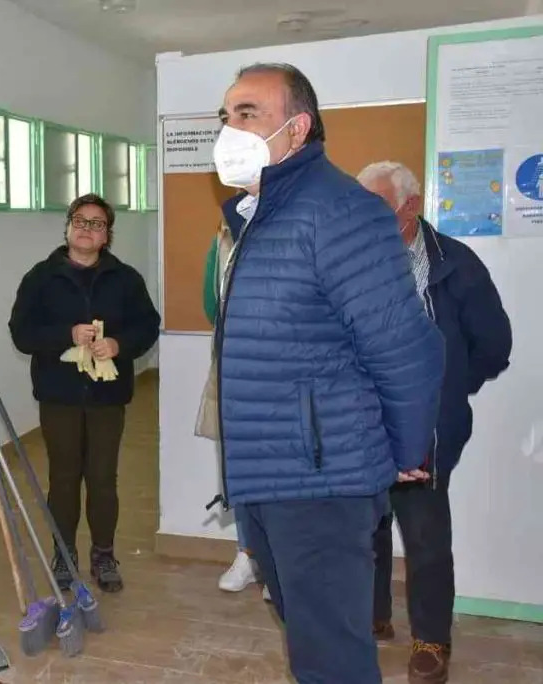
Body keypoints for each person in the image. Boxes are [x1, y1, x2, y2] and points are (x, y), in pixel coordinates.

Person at [207, 63, 446, 684]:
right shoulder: (260, 216)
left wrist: (405, 448)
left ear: (297, 127)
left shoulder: (339, 211)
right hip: (269, 474)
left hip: (320, 480)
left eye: (248, 113)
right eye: (226, 115)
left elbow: (408, 347)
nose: (229, 128)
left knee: (331, 658)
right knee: (308, 638)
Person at [359, 161, 512, 684]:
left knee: (423, 535)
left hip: (424, 428)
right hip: (361, 424)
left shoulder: (456, 264)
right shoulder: (353, 263)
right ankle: (373, 617)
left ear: (411, 205)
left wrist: (450, 389)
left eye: (377, 205)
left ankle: (430, 638)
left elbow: (494, 343)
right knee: (365, 528)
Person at [8, 194, 159, 594]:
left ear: (107, 235)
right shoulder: (40, 277)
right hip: (59, 396)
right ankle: (64, 553)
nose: (86, 228)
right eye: (80, 220)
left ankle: (104, 554)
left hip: (108, 398)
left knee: (103, 479)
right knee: (63, 478)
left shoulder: (125, 279)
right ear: (67, 226)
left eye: (96, 223)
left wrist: (118, 345)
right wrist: (66, 335)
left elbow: (147, 326)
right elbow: (22, 334)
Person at [198, 221, 259, 594]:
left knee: (279, 468)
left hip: (284, 370)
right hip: (232, 366)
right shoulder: (221, 237)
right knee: (238, 466)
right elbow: (211, 304)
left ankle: (275, 562)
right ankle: (247, 552)